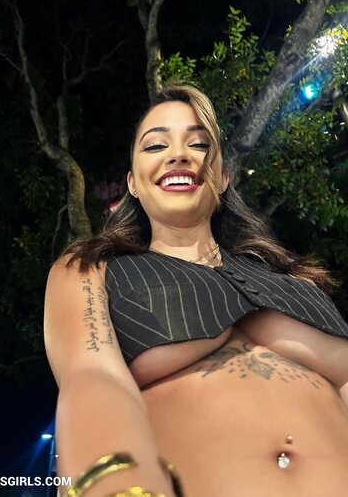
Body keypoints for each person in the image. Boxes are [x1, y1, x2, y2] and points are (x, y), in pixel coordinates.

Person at [44, 84, 348, 497]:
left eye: (200, 143)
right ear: (132, 183)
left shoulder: (296, 281)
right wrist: (119, 487)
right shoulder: (91, 269)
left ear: (222, 178)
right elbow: (91, 378)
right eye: (156, 145)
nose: (179, 154)